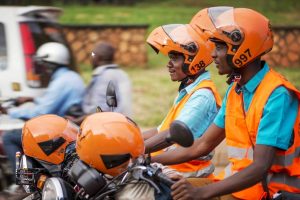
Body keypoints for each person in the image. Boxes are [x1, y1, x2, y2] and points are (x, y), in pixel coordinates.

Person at [153, 7, 300, 200]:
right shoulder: (235, 90)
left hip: (271, 193)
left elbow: (260, 167)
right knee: (163, 190)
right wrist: (147, 160)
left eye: (220, 47)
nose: (212, 55)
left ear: (243, 49)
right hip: (240, 187)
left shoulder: (277, 95)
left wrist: (200, 192)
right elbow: (202, 145)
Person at [0, 42, 85, 194]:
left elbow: (41, 112)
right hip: (66, 126)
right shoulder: (70, 77)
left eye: (44, 65)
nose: (42, 69)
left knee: (9, 137)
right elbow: (49, 102)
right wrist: (29, 99)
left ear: (51, 64)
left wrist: (9, 111)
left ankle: (20, 184)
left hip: (56, 131)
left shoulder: (61, 82)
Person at [144, 23, 222, 179]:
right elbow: (160, 131)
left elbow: (172, 135)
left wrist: (136, 154)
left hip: (184, 178)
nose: (169, 64)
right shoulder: (189, 90)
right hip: (168, 172)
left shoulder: (202, 96)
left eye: (174, 58)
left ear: (194, 60)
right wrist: (129, 140)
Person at [67, 41, 132, 124]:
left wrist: (76, 121)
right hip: (121, 123)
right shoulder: (121, 73)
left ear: (99, 58)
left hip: (107, 127)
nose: (91, 58)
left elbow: (100, 112)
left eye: (93, 55)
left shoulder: (105, 77)